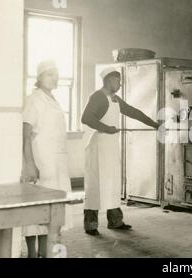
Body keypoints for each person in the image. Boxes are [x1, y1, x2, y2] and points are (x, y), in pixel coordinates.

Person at [82, 67, 159, 236]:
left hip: (110, 145)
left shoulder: (115, 99)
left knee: (112, 183)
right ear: (109, 80)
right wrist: (105, 128)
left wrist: (155, 124)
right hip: (98, 145)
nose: (120, 83)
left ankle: (115, 221)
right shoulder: (98, 97)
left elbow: (132, 112)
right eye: (118, 80)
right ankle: (91, 224)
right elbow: (86, 117)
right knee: (95, 185)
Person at [22, 60, 74, 257]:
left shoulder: (51, 99)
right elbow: (25, 133)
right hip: (41, 161)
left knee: (50, 213)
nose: (55, 78)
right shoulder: (34, 99)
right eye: (50, 74)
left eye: (56, 74)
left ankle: (46, 253)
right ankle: (32, 253)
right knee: (35, 211)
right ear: (39, 77)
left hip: (56, 163)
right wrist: (29, 164)